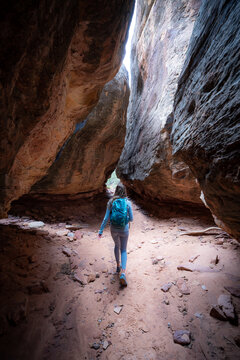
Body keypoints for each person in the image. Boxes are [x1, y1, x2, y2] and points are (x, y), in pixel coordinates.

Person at [98, 182, 133, 286]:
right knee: (123, 250)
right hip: (124, 229)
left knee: (116, 246)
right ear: (124, 191)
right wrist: (125, 222)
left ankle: (117, 265)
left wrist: (100, 231)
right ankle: (123, 272)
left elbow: (106, 218)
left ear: (116, 191)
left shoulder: (111, 202)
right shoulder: (127, 203)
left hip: (113, 229)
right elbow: (131, 218)